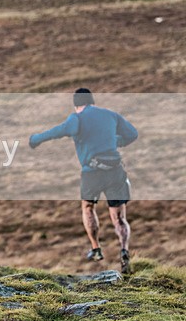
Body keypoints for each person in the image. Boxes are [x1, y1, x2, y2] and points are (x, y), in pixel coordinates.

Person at [29, 88, 138, 274]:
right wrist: (114, 141)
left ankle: (96, 248)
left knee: (88, 207)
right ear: (92, 101)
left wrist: (36, 139)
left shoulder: (76, 118)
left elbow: (64, 130)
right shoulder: (110, 115)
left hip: (92, 172)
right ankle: (124, 250)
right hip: (115, 170)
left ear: (76, 104)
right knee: (119, 217)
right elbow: (132, 134)